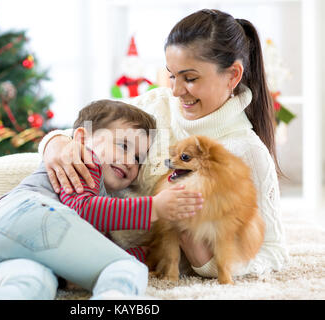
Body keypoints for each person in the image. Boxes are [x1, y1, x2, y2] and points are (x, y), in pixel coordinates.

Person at [38, 9, 289, 278]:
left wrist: (206, 263)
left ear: (233, 76)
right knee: (15, 180)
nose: (176, 90)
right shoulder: (156, 104)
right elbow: (86, 129)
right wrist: (55, 143)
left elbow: (273, 252)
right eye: (172, 75)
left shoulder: (248, 152)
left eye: (190, 78)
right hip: (65, 196)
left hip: (101, 243)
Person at [0, 99, 199, 300]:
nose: (130, 161)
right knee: (125, 270)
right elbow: (85, 209)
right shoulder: (83, 162)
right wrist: (154, 208)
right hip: (31, 213)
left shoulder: (98, 195)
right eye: (123, 146)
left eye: (138, 159)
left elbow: (91, 250)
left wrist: (146, 254)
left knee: (33, 283)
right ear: (81, 138)